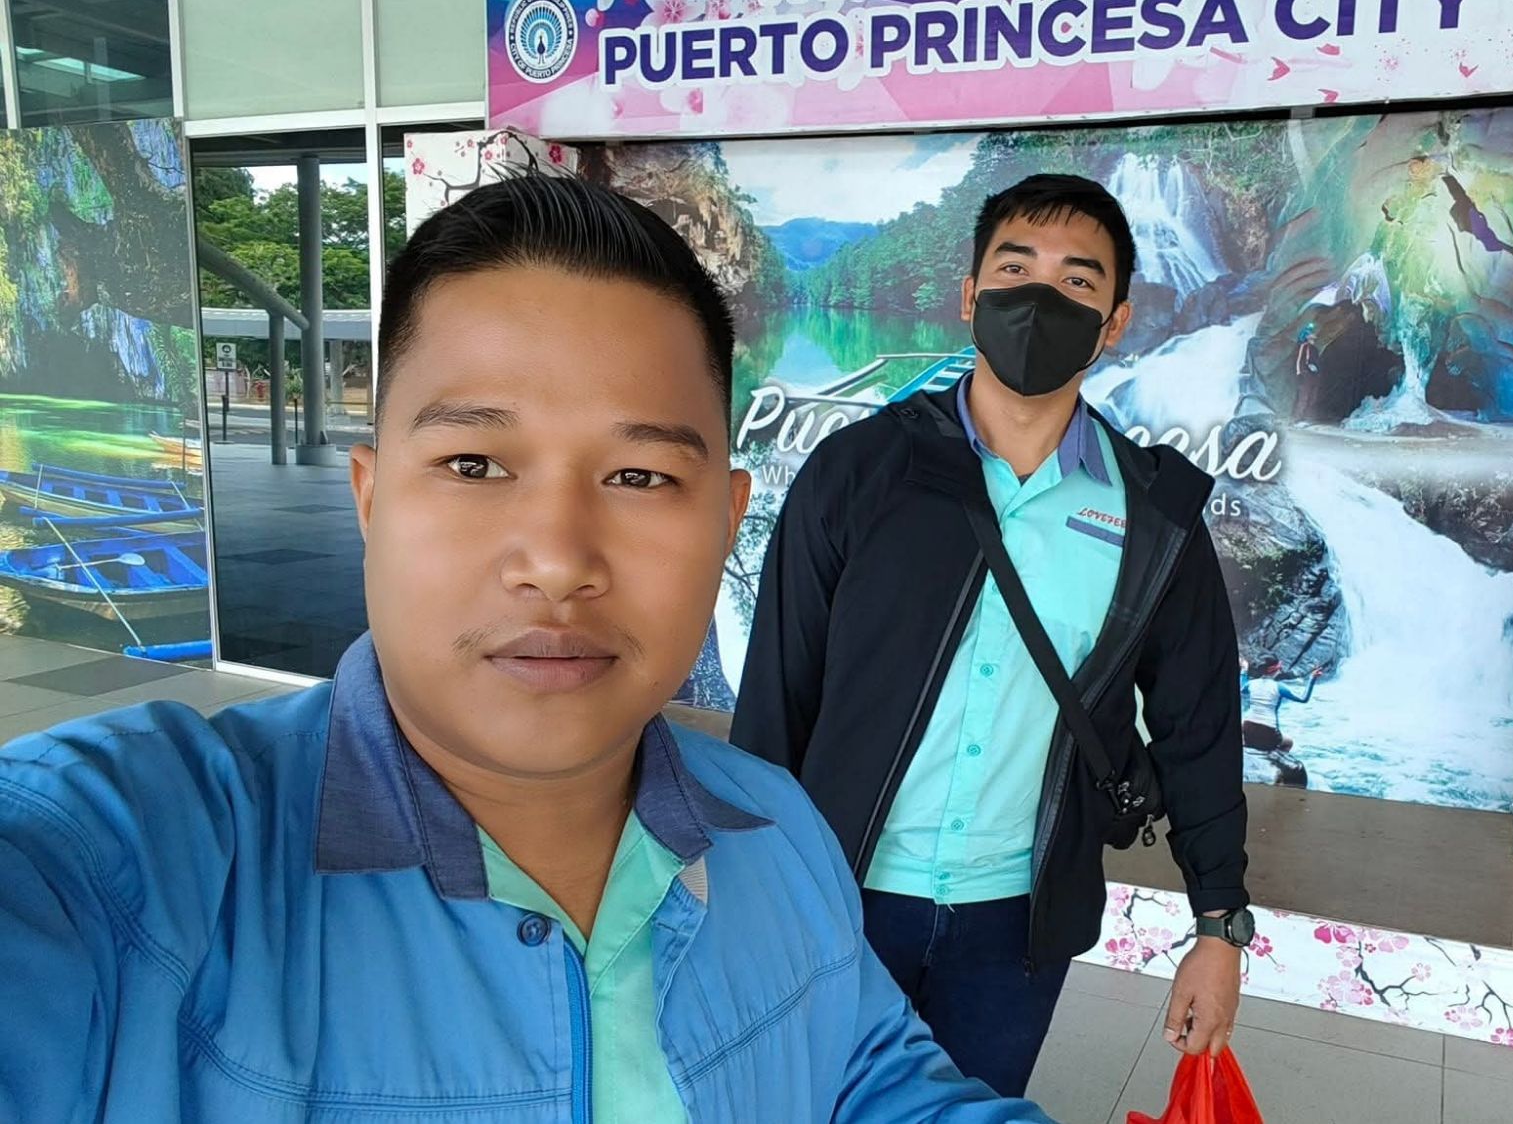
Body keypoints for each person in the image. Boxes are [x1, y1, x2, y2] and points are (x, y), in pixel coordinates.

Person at [0, 176, 1052, 1124]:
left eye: (639, 477)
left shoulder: (776, 833)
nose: (556, 560)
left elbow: (867, 1076)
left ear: (728, 520)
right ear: (371, 500)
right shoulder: (140, 866)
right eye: (473, 461)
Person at [734, 172, 1253, 1098]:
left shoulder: (1154, 515)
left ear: (1116, 322)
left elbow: (1199, 727)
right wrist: (749, 898)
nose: (1039, 299)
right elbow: (777, 703)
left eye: (1077, 282)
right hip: (840, 902)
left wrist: (1219, 929)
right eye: (1015, 269)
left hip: (1015, 929)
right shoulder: (860, 473)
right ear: (971, 295)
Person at [1239, 654, 1323, 754]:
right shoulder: (1279, 687)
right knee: (1288, 742)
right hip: (1269, 731)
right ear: (1274, 669)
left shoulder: (1252, 684)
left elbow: (1241, 688)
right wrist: (1312, 678)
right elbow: (1303, 698)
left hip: (1247, 727)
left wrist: (1244, 670)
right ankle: (1277, 762)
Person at [1293, 322, 1321, 421]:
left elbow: (1316, 362)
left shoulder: (1314, 349)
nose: (1313, 340)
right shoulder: (1304, 347)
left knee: (1312, 397)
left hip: (1313, 375)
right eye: (1311, 338)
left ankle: (1307, 417)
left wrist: (1316, 372)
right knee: (1303, 397)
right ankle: (1297, 418)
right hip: (1305, 375)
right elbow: (1299, 360)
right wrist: (1299, 372)